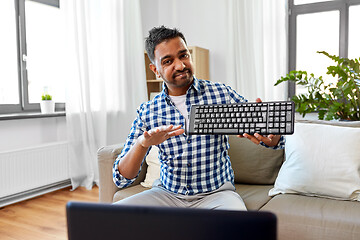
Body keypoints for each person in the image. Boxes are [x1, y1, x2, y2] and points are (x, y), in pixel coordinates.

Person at [112, 26, 284, 211]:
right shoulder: (148, 111)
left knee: (238, 228)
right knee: (111, 219)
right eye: (168, 61)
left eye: (183, 55)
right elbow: (122, 178)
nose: (180, 65)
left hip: (218, 194)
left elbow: (271, 137)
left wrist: (273, 138)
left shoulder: (221, 94)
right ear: (156, 70)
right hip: (167, 194)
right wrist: (142, 144)